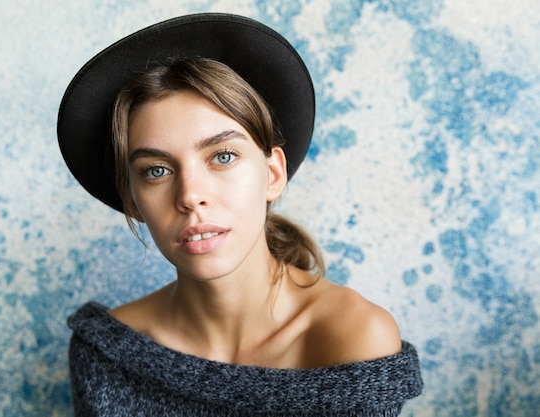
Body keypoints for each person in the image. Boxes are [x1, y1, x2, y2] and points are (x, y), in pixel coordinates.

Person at [57, 13, 422, 416]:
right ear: (131, 199)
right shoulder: (108, 353)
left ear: (272, 174)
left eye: (223, 156)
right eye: (156, 171)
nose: (191, 195)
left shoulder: (354, 339)